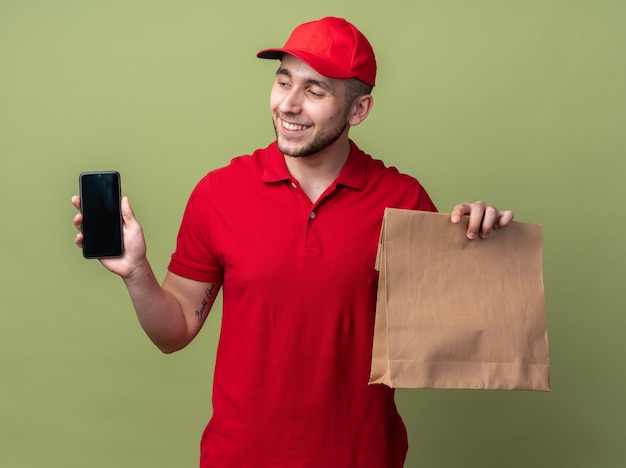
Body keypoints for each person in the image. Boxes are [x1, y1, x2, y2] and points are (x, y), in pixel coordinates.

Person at [72, 17, 514, 468]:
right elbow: (175, 331)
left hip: (363, 457)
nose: (289, 104)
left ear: (358, 110)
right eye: (283, 82)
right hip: (239, 457)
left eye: (315, 91)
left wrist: (483, 246)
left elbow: (450, 332)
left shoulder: (403, 200)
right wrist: (136, 273)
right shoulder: (219, 193)